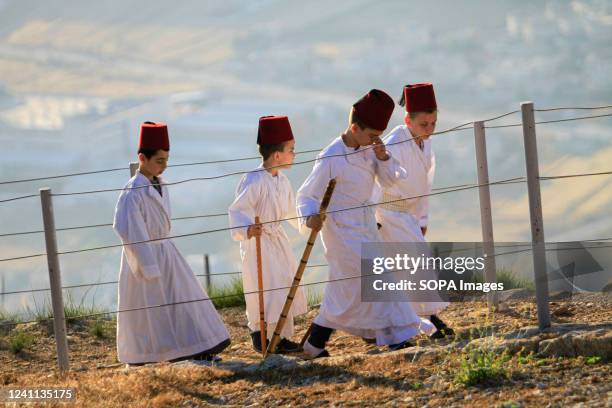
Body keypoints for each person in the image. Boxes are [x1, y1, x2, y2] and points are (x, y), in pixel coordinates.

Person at [296, 89, 433, 359]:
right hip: (339, 229)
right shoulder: (331, 157)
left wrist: (383, 157)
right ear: (355, 127)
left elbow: (392, 181)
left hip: (365, 225)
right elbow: (306, 194)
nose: (375, 141)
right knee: (378, 279)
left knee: (345, 288)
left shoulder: (371, 149)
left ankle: (314, 343)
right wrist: (310, 216)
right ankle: (395, 339)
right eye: (371, 136)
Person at [113, 121, 230, 365]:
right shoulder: (132, 192)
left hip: (166, 252)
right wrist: (147, 264)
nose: (164, 166)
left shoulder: (160, 185)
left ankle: (196, 347)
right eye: (159, 160)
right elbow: (128, 230)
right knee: (150, 309)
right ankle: (147, 354)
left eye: (166, 160)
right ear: (142, 158)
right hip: (145, 258)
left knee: (183, 300)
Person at [373, 83, 454, 338]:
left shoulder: (425, 144)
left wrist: (422, 217)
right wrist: (372, 220)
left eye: (433, 123)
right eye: (423, 124)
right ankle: (420, 322)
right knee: (411, 267)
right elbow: (376, 176)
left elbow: (425, 183)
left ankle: (424, 319)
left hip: (408, 214)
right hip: (387, 214)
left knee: (415, 267)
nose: (429, 129)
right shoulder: (394, 143)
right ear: (408, 119)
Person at [228, 116, 307, 354]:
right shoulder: (253, 180)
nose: (294, 154)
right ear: (277, 155)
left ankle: (281, 336)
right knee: (262, 288)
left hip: (277, 240)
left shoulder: (282, 181)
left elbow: (292, 211)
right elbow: (238, 210)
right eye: (291, 149)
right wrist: (247, 229)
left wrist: (308, 222)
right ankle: (259, 334)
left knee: (282, 284)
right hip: (258, 243)